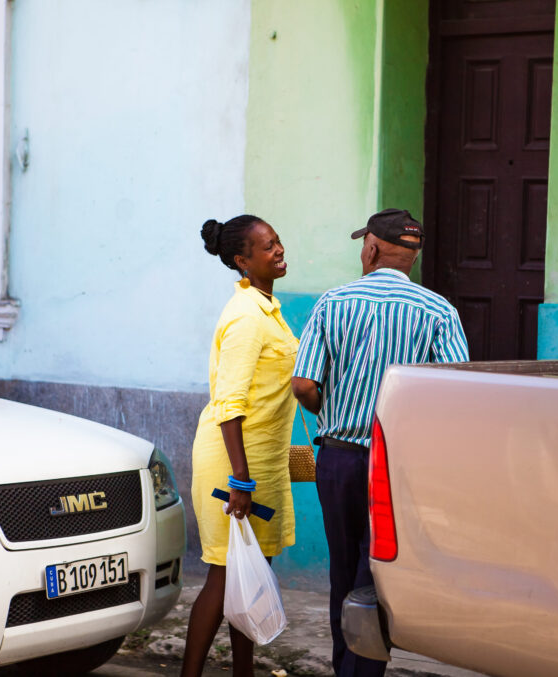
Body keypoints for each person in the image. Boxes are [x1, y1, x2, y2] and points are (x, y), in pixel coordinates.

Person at [291, 208, 469, 677]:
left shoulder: (333, 303)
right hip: (398, 469)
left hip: (341, 461)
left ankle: (343, 667)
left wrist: (330, 410)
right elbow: (453, 395)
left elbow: (303, 384)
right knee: (379, 578)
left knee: (342, 570)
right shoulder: (439, 311)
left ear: (370, 247)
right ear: (413, 255)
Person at [182, 215, 298, 677]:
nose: (278, 250)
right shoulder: (247, 317)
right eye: (267, 246)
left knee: (250, 580)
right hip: (233, 467)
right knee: (225, 575)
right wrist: (241, 480)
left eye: (278, 241)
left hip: (259, 463)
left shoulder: (267, 307)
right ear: (242, 261)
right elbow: (229, 404)